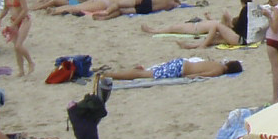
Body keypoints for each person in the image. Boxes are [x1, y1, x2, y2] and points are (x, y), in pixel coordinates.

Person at [0, 0, 34, 78]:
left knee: (19, 45)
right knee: (16, 48)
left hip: (23, 20)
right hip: (13, 20)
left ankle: (31, 62)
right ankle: (21, 70)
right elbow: (6, 8)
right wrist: (0, 18)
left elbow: (25, 10)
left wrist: (15, 23)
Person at [102, 58, 243, 81]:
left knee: (148, 72)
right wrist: (190, 78)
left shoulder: (217, 63)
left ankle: (132, 71)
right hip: (181, 69)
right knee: (144, 75)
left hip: (181, 62)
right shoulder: (219, 70)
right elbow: (204, 75)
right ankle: (112, 75)